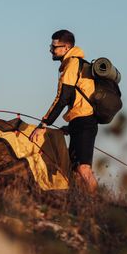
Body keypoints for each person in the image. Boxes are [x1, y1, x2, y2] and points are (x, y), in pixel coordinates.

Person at [29, 29, 98, 193]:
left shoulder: (73, 64)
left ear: (66, 47)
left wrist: (43, 123)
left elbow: (62, 98)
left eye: (54, 46)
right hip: (80, 121)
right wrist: (71, 126)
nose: (51, 50)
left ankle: (98, 204)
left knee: (83, 169)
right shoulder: (75, 64)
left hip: (84, 121)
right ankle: (83, 205)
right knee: (74, 169)